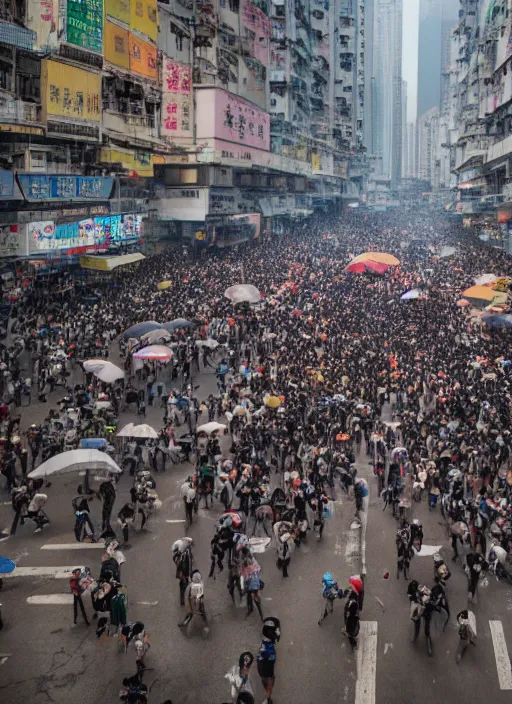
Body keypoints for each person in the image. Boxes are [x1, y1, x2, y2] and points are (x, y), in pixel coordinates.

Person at [257, 617, 280, 704]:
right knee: (269, 686)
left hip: (260, 669)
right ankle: (267, 699)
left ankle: (267, 696)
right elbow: (271, 660)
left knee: (264, 682)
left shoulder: (263, 641)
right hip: (267, 672)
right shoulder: (271, 652)